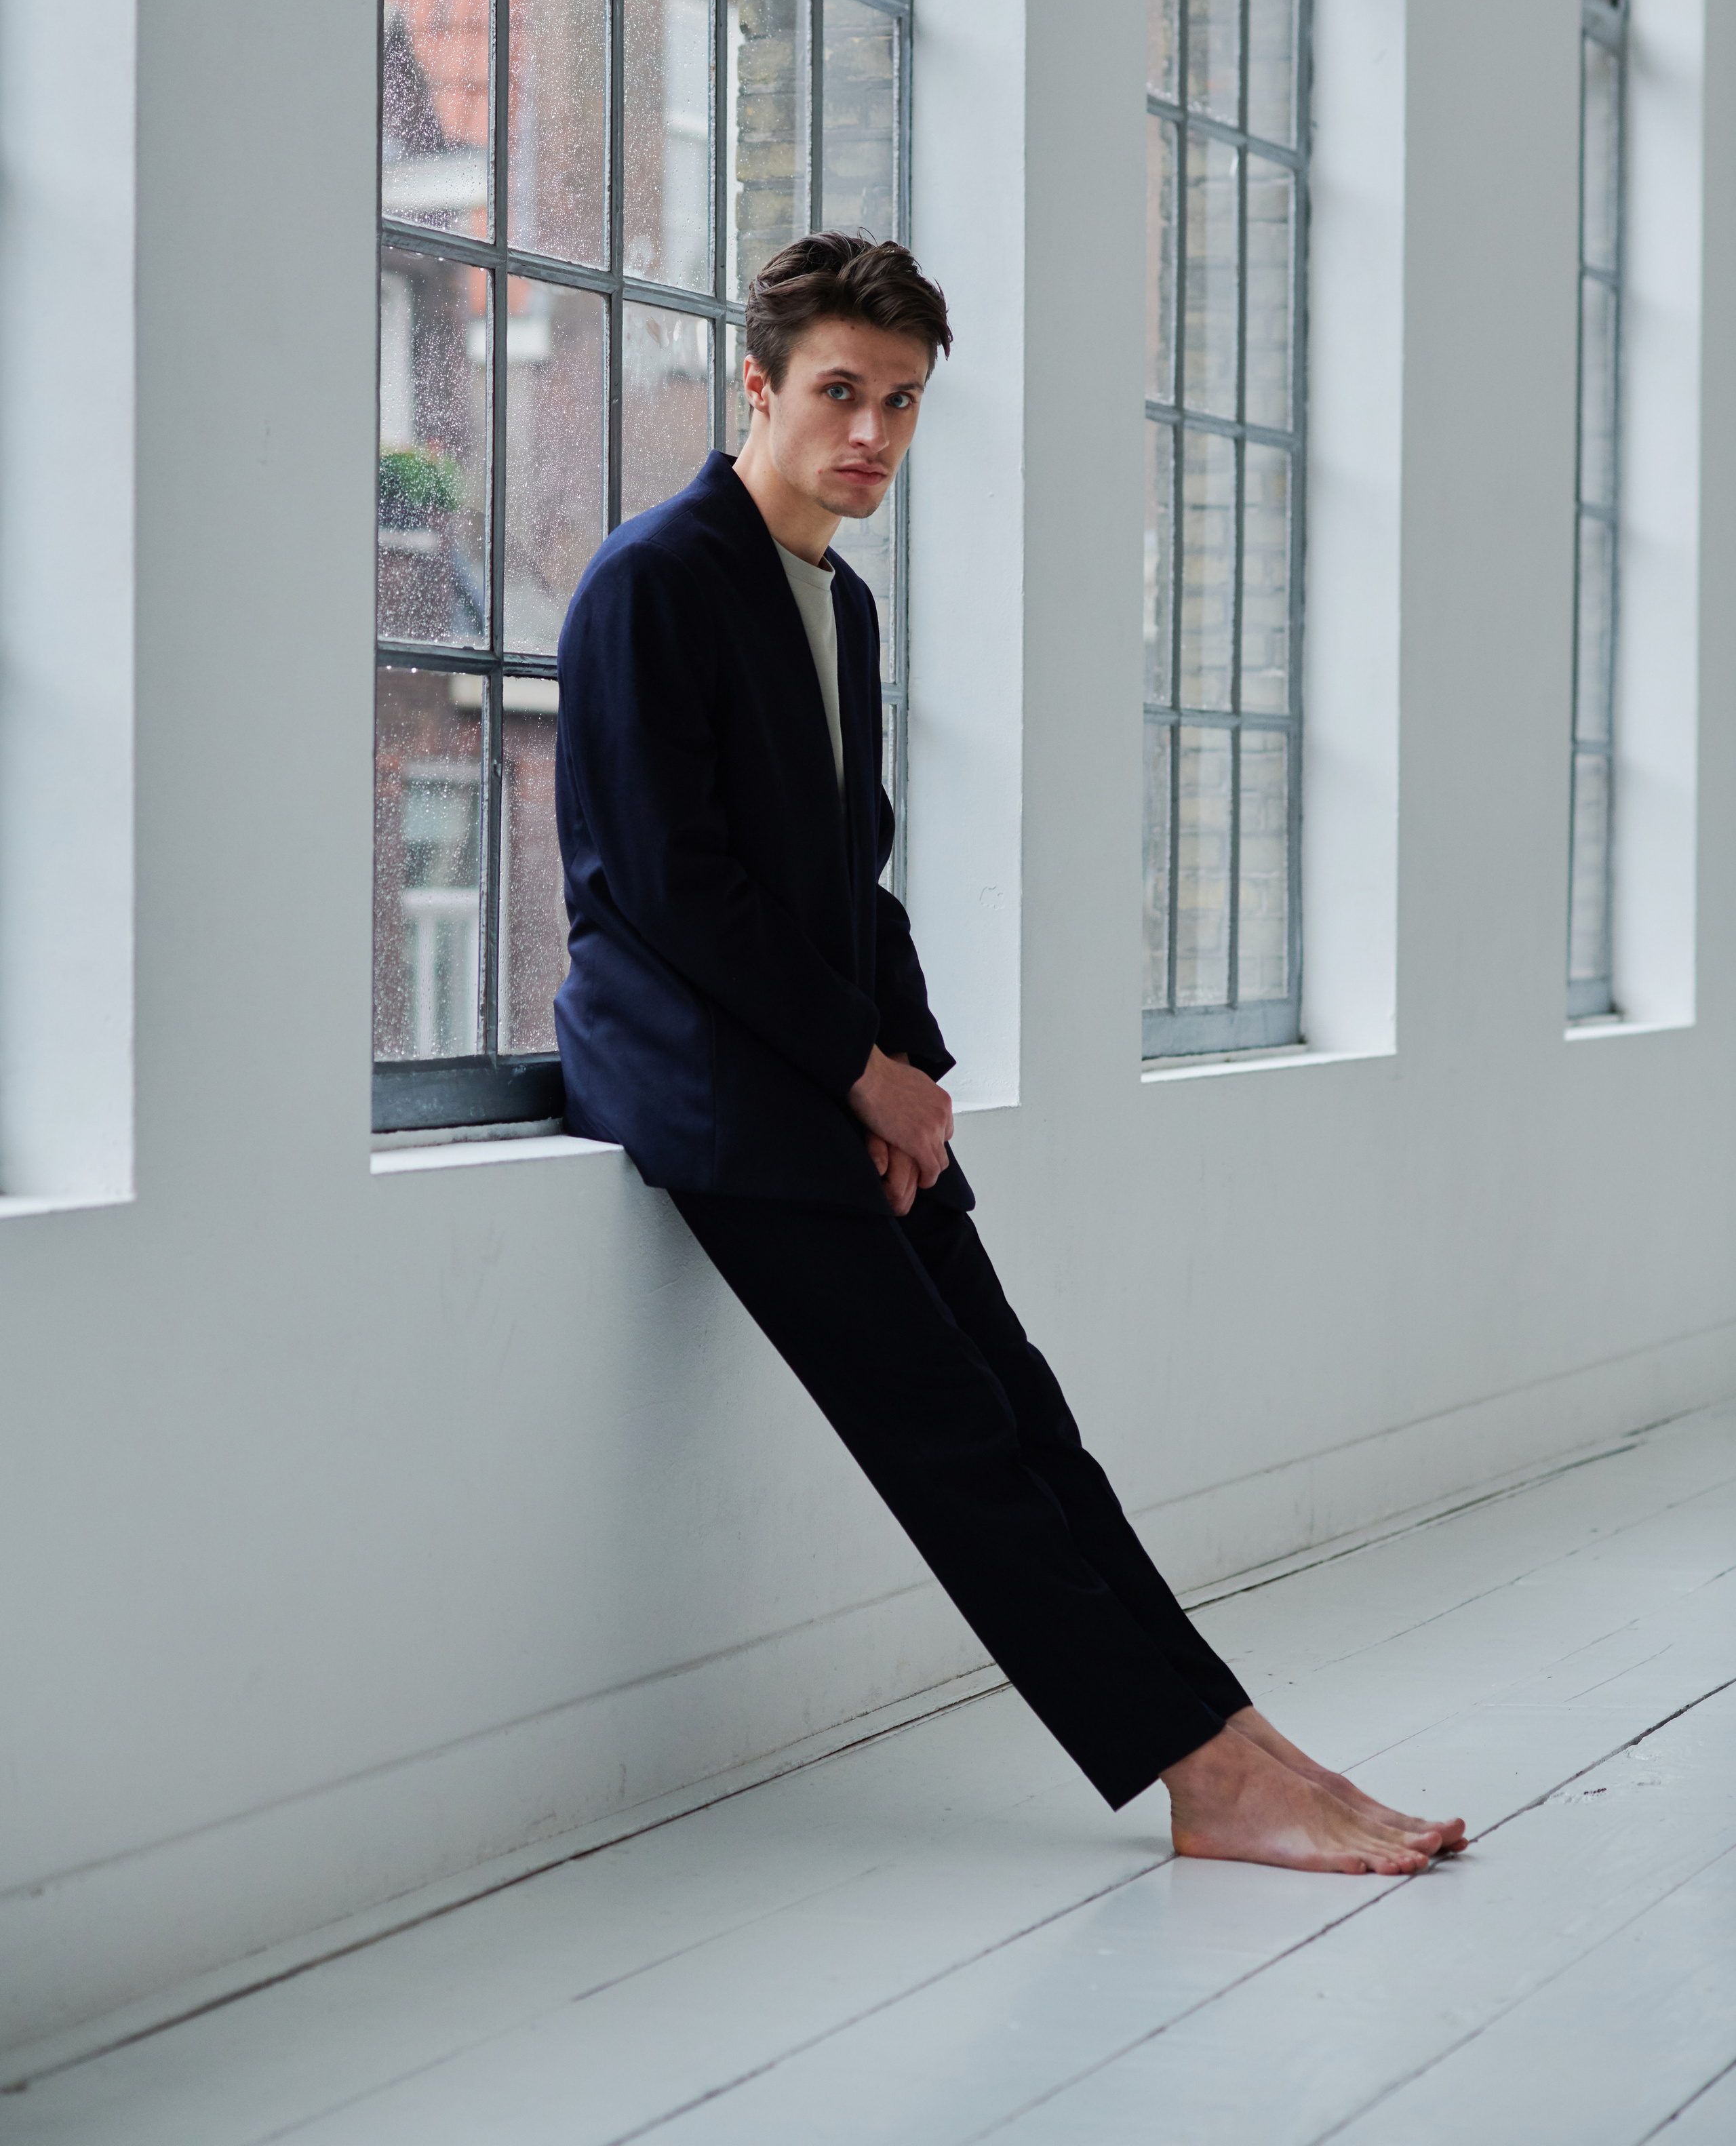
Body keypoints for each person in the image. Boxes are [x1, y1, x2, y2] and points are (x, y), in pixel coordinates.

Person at [554, 233, 1464, 1873]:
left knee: (1027, 1414)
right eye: (839, 393)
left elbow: (855, 876)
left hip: (835, 1081)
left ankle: (1228, 1732)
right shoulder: (653, 579)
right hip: (708, 1088)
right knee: (950, 1436)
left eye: (900, 404)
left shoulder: (840, 603)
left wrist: (913, 1077)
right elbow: (666, 892)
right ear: (755, 386)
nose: (872, 436)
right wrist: (860, 1073)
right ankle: (1199, 1775)